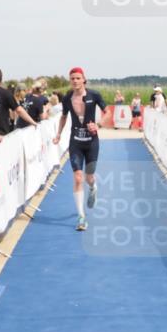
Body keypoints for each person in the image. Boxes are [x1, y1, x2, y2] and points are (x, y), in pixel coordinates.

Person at [53, 67, 112, 231]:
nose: (75, 81)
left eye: (78, 78)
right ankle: (81, 217)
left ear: (84, 79)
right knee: (78, 178)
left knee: (89, 177)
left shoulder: (94, 95)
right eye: (72, 78)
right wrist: (58, 134)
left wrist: (98, 124)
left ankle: (93, 187)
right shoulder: (67, 98)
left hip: (92, 142)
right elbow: (64, 117)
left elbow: (108, 113)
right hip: (76, 143)